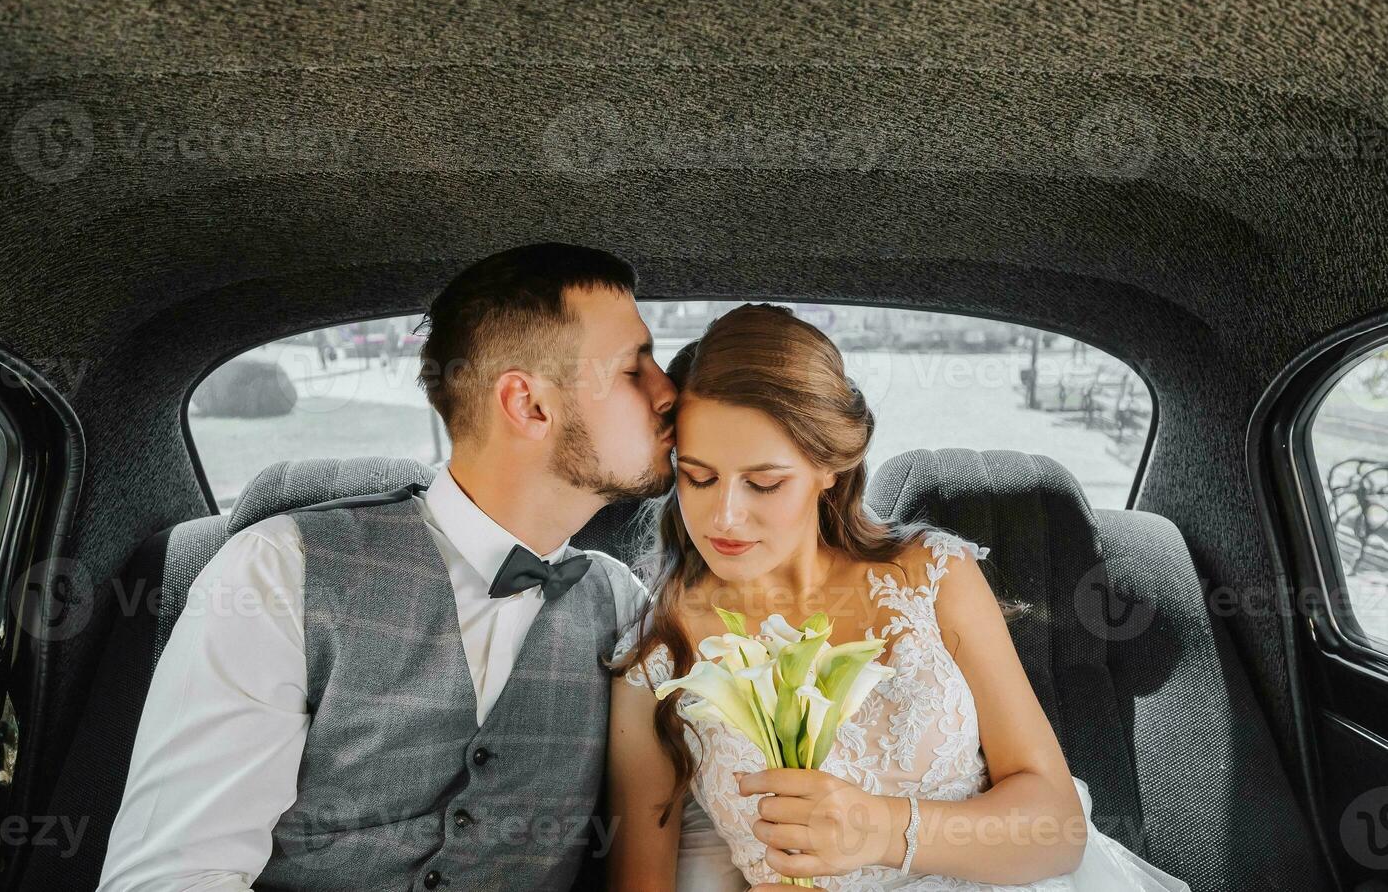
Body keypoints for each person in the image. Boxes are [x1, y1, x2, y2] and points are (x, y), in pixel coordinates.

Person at [97, 242, 677, 891]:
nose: (668, 393)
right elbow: (170, 878)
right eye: (635, 370)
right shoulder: (280, 572)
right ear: (529, 404)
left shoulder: (623, 606)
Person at [607, 303, 1192, 892]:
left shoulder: (933, 577)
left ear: (829, 467)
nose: (725, 516)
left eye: (764, 482)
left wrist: (880, 830)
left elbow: (1058, 828)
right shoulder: (657, 654)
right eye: (698, 477)